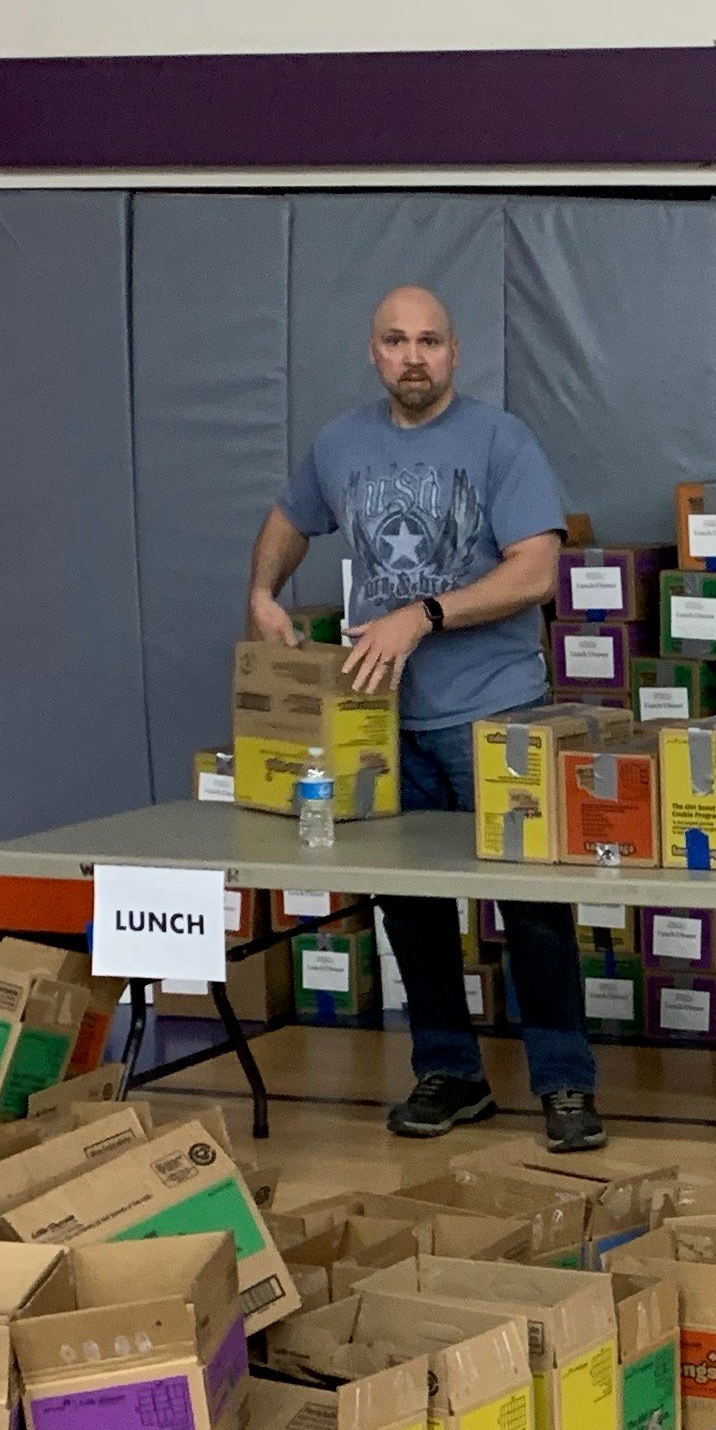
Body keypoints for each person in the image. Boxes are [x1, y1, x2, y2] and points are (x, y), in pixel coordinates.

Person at [246, 284, 604, 1152]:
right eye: (397, 341)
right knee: (409, 908)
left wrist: (426, 613)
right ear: (374, 351)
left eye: (431, 341)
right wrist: (261, 592)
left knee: (534, 910)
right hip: (377, 720)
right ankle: (450, 1073)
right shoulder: (340, 444)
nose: (414, 356)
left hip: (495, 711)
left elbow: (533, 574)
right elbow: (291, 519)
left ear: (455, 353)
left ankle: (564, 1083)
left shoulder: (500, 440)